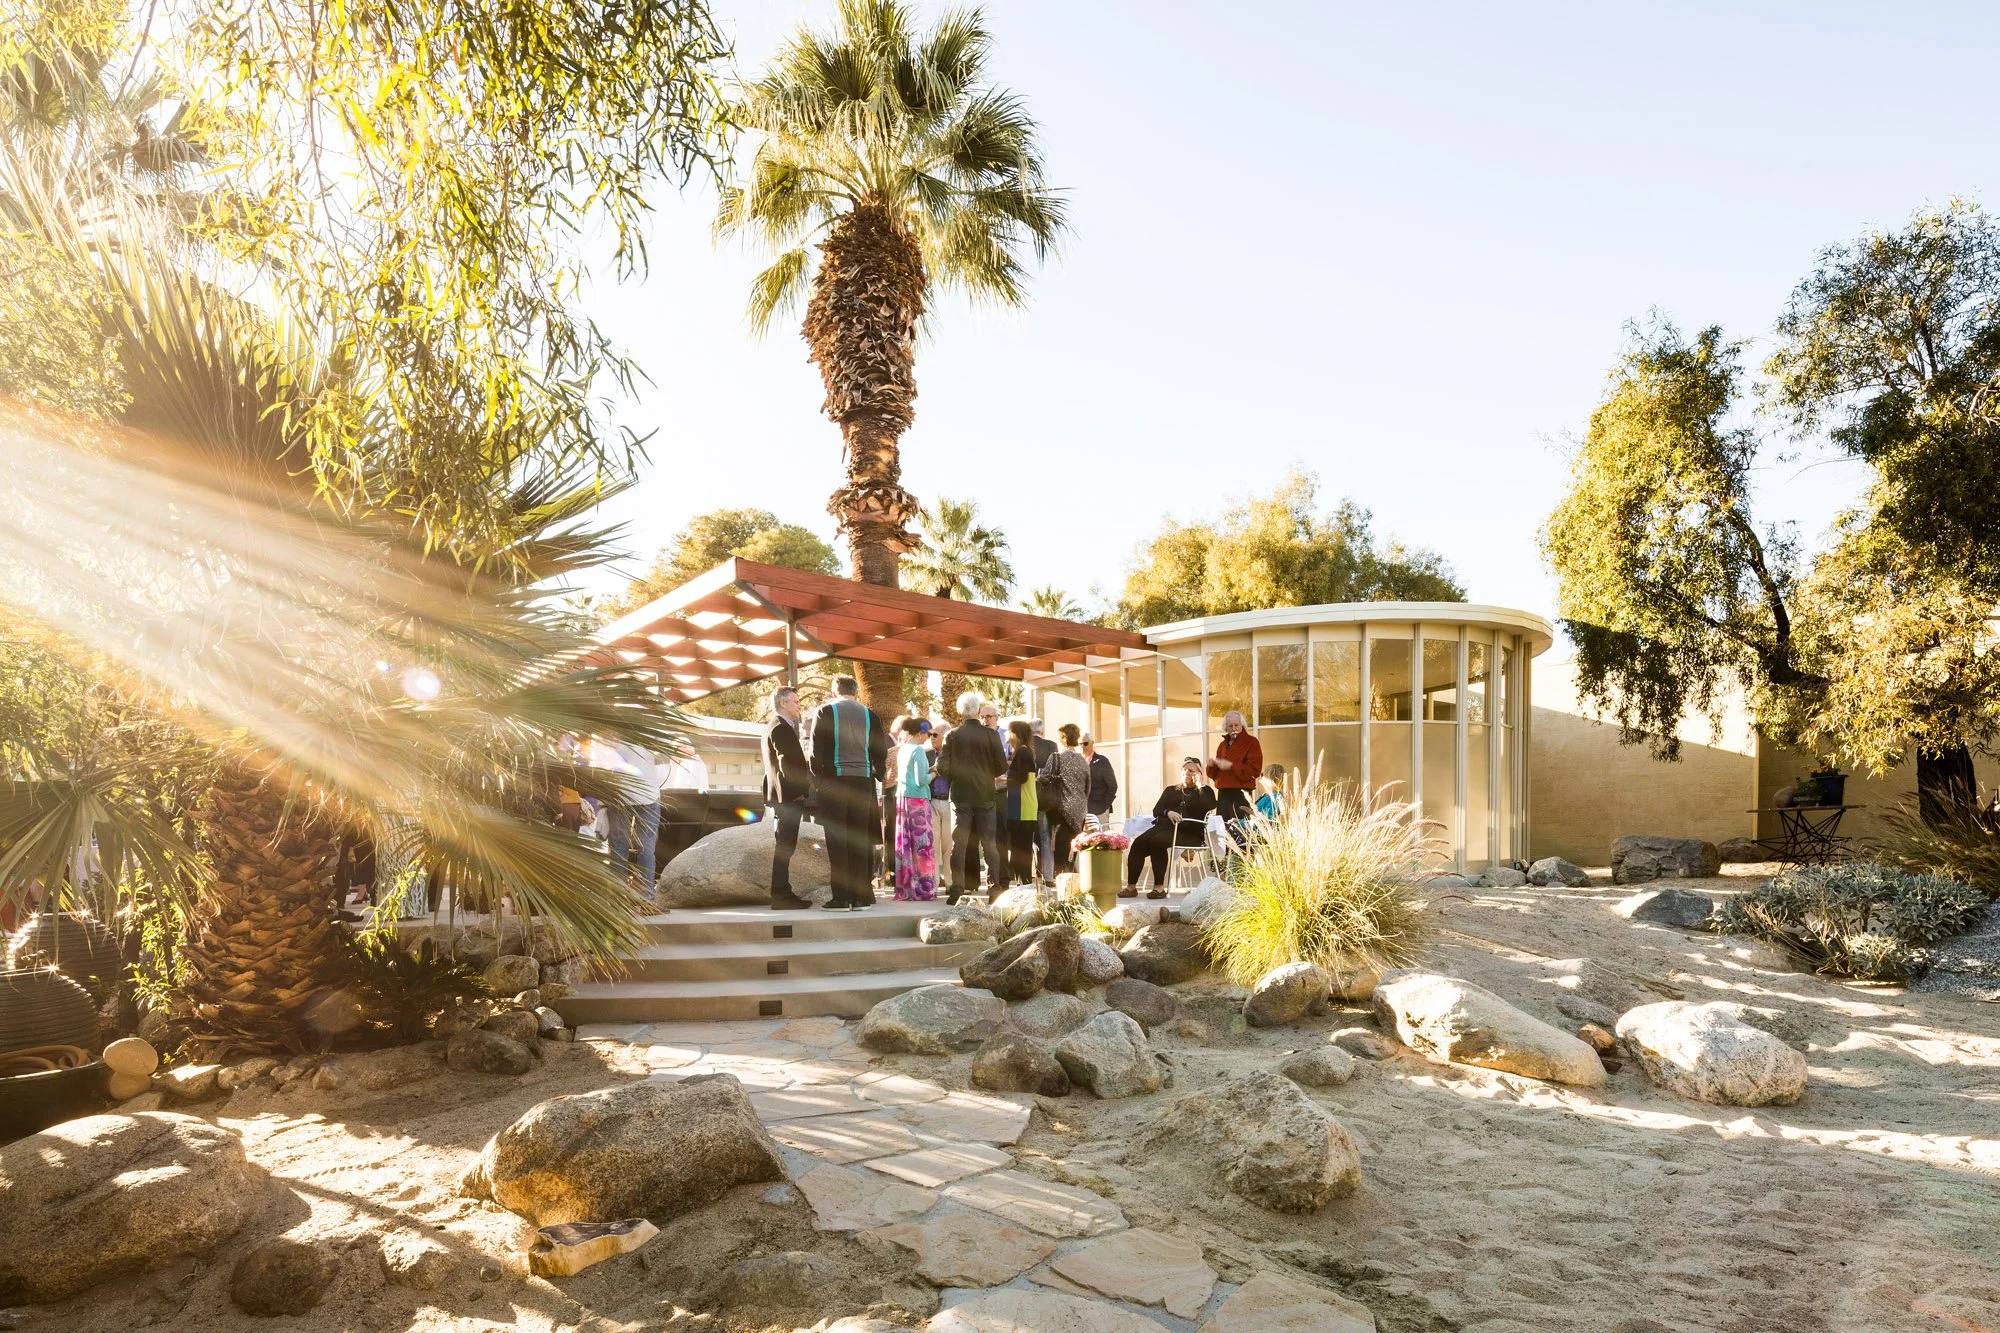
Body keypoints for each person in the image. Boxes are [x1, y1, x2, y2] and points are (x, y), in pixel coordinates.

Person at [809, 677, 890, 910]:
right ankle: (862, 896)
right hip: (863, 785)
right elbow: (880, 752)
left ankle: (842, 898)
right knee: (860, 839)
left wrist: (819, 780)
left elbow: (816, 752)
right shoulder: (870, 715)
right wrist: (876, 772)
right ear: (856, 692)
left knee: (838, 840)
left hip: (834, 783)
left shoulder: (825, 711)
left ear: (835, 691)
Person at [941, 691, 1008, 904]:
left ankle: (957, 889)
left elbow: (943, 766)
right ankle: (994, 887)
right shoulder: (991, 735)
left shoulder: (952, 735)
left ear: (960, 712)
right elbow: (1001, 766)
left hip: (961, 796)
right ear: (978, 711)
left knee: (959, 844)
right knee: (989, 844)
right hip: (986, 795)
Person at [587, 736, 665, 904]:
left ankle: (618, 901)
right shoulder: (648, 735)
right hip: (648, 797)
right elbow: (665, 757)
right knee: (646, 849)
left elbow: (600, 767)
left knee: (618, 848)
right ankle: (647, 901)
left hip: (619, 797)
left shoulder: (610, 736)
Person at [1126, 757, 1216, 898]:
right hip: (1164, 827)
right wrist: (1168, 812)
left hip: (1190, 833)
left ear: (1199, 774)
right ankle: (1131, 887)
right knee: (1138, 843)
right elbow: (1157, 810)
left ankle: (1159, 889)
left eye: (1191, 771)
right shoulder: (1171, 790)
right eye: (1184, 770)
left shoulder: (1206, 791)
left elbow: (1210, 805)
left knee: (1158, 841)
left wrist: (1199, 786)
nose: (1187, 773)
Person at [761, 686, 813, 910]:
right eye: (795, 701)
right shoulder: (781, 728)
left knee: (785, 846)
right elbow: (786, 765)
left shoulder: (776, 727)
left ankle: (782, 892)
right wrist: (801, 791)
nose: (799, 705)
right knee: (785, 846)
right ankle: (780, 894)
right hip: (789, 797)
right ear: (783, 703)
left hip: (784, 796)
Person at [891, 716, 938, 900]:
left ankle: (906, 888)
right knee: (922, 845)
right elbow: (921, 780)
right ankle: (923, 889)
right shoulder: (918, 751)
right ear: (921, 732)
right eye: (928, 734)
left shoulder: (903, 750)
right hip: (918, 801)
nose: (928, 738)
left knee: (906, 845)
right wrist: (934, 772)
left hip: (903, 799)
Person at [1038, 723, 1091, 875]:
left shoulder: (1056, 757)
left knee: (1058, 848)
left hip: (1059, 809)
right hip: (1079, 810)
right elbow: (1088, 787)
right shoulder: (1083, 761)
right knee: (1072, 848)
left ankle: (1060, 879)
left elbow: (1043, 778)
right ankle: (1070, 877)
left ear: (1063, 738)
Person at [1207, 709, 1264, 827]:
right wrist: (1211, 765)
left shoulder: (1251, 742)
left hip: (1240, 794)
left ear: (1242, 725)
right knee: (1222, 831)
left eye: (1236, 725)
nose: (1233, 728)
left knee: (1239, 831)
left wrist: (1231, 766)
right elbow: (1213, 774)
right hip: (1223, 794)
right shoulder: (1223, 745)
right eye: (1230, 726)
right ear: (1226, 728)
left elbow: (1254, 771)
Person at [1002, 719, 1040, 885]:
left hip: (1023, 807)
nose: (1005, 734)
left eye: (1008, 731)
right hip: (1020, 806)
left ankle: (1024, 883)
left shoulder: (1023, 752)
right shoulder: (1022, 752)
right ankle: (1021, 882)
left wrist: (1002, 780)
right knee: (1019, 847)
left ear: (1015, 734)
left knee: (1021, 848)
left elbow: (1022, 777)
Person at [1029, 719, 1058, 880]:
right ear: (1042, 730)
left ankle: (1029, 876)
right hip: (1045, 799)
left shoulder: (1023, 746)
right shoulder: (1051, 746)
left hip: (1025, 798)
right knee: (1045, 838)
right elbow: (1053, 772)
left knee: (1027, 839)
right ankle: (1047, 876)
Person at [927, 724, 953, 882]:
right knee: (934, 844)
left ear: (945, 735)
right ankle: (935, 881)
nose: (931, 737)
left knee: (949, 845)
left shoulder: (954, 755)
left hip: (950, 802)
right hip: (933, 802)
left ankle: (949, 880)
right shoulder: (927, 755)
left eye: (935, 734)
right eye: (930, 734)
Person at [1081, 732, 1118, 824]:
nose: (1082, 746)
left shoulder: (1102, 761)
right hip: (1083, 811)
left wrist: (1105, 805)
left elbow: (1113, 785)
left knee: (1102, 837)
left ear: (1092, 743)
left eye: (1085, 743)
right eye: (1080, 744)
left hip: (1100, 811)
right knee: (1085, 838)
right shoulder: (1079, 762)